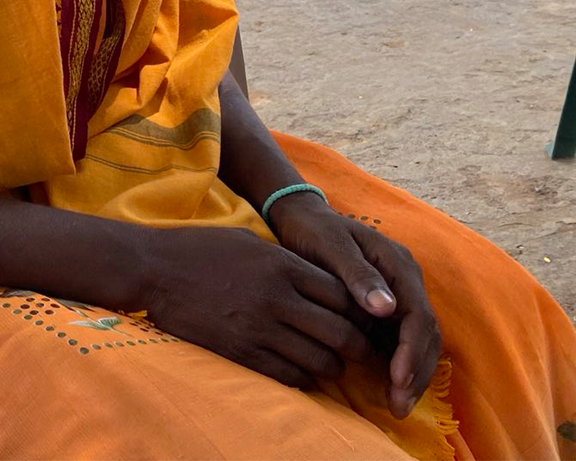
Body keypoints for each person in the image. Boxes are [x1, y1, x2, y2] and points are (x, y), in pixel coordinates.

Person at [0, 1, 574, 460]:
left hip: (153, 147)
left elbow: (191, 44)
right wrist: (149, 269)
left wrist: (292, 202)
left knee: (489, 310)